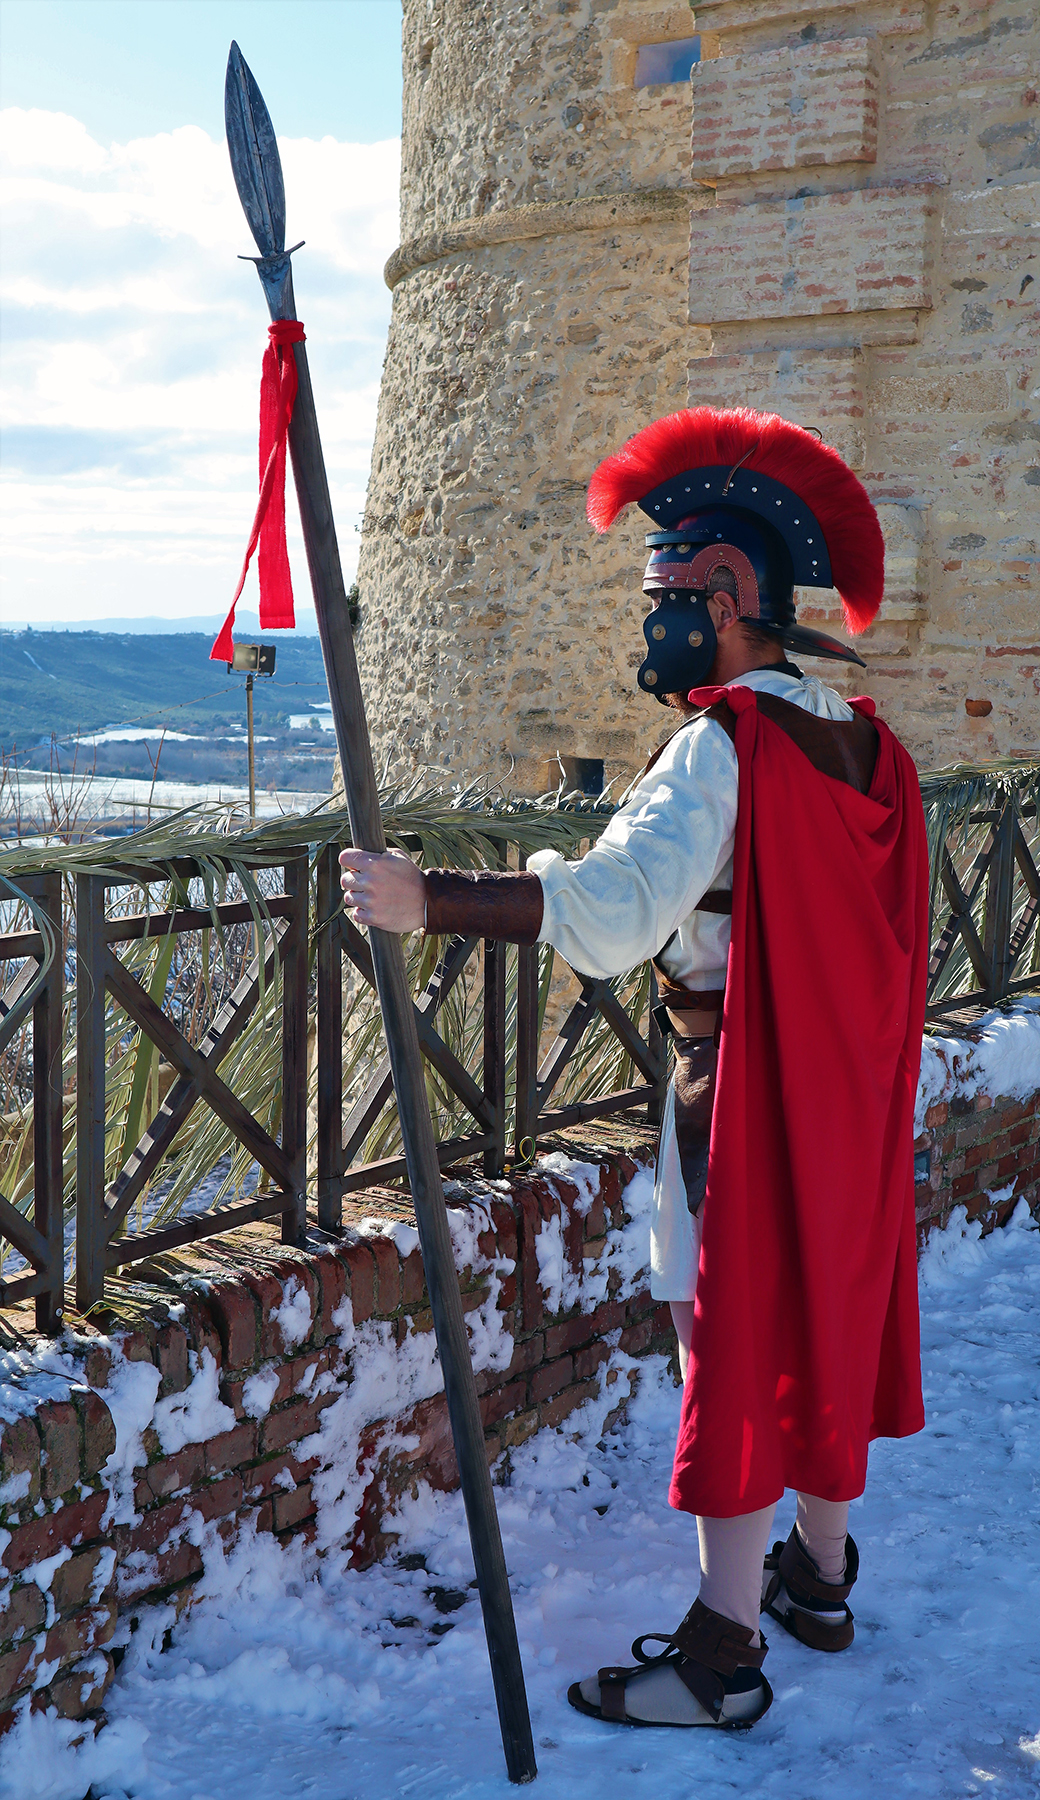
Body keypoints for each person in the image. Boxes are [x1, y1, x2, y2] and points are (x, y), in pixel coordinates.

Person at [340, 406, 929, 1731]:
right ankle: (819, 1576)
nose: (650, 623)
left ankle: (724, 1655)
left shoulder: (724, 747)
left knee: (727, 1341)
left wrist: (431, 898)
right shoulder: (869, 745)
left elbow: (613, 915)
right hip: (851, 1099)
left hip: (747, 1092)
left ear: (724, 601)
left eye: (664, 599)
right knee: (824, 1323)